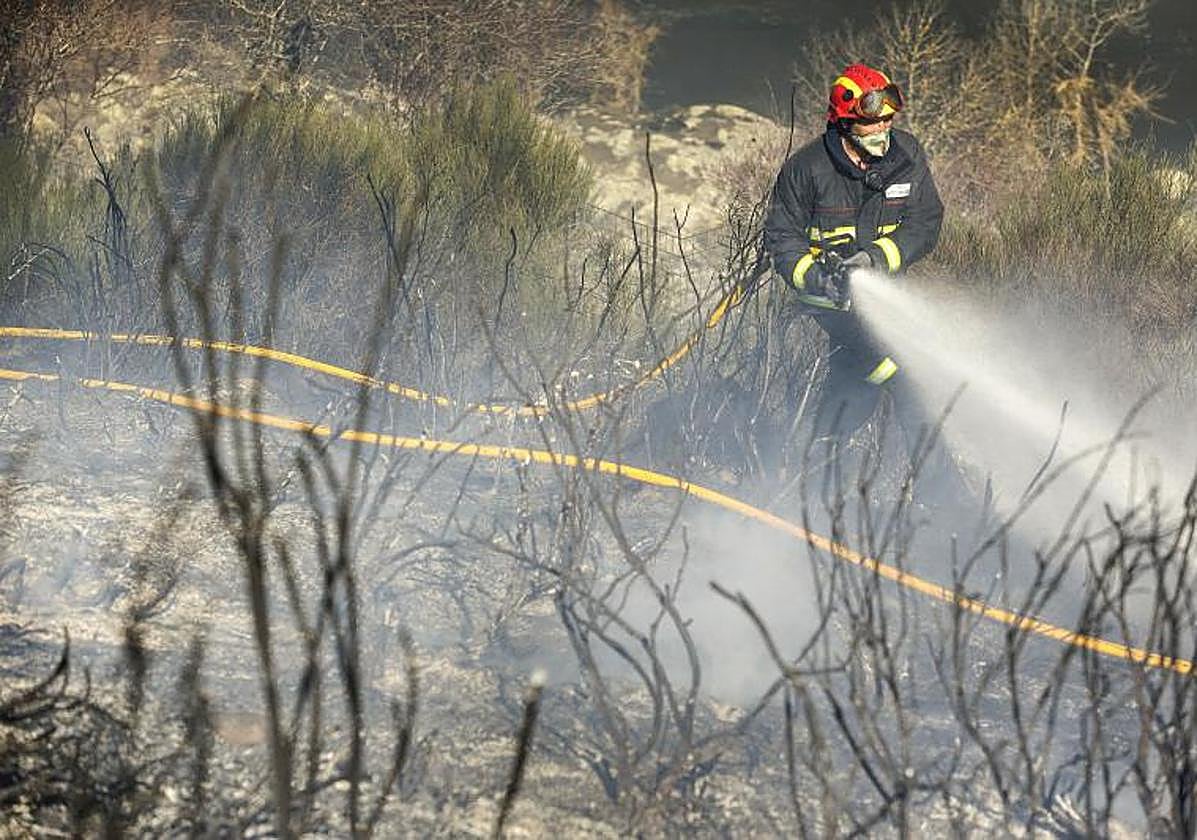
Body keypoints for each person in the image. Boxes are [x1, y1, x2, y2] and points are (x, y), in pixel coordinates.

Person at [764, 63, 967, 513]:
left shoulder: (906, 156)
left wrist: (877, 258)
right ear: (844, 121)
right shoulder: (807, 171)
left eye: (888, 119)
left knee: (853, 387)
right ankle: (951, 504)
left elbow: (925, 222)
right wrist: (815, 276)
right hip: (829, 306)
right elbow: (781, 238)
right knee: (903, 375)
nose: (882, 128)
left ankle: (813, 488)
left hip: (876, 303)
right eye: (872, 121)